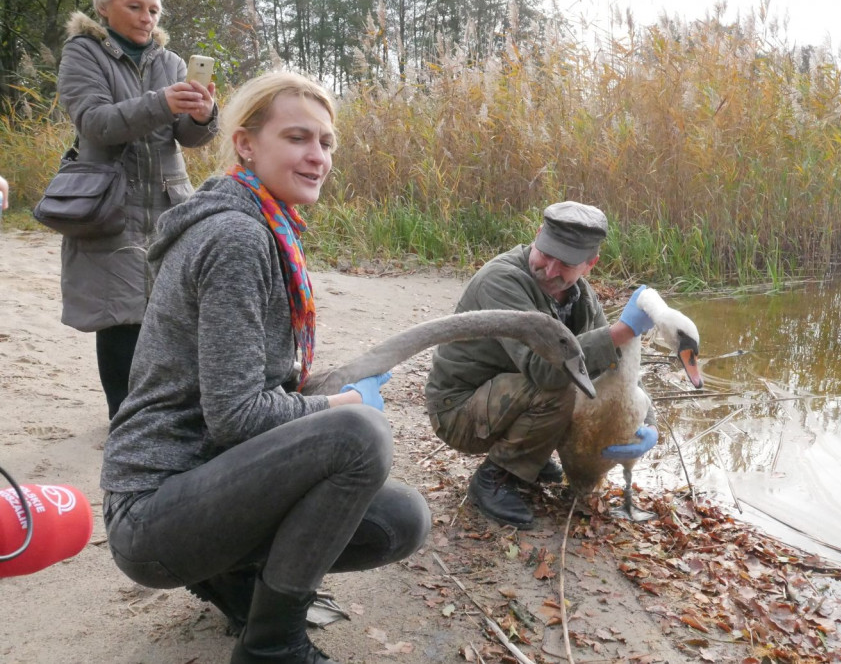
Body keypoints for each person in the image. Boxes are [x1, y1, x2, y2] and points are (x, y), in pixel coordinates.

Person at [100, 71, 430, 664]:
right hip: (153, 510)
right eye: (298, 137)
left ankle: (232, 578)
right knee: (360, 436)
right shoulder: (237, 237)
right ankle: (272, 646)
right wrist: (342, 406)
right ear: (247, 144)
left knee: (399, 520)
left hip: (209, 484)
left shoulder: (268, 227)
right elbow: (236, 414)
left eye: (326, 142)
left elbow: (250, 390)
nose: (317, 156)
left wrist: (323, 401)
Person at [425, 201, 657, 529]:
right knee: (563, 385)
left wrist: (647, 421)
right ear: (537, 235)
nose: (549, 271)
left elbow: (617, 367)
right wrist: (623, 330)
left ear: (590, 264)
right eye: (545, 254)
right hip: (458, 410)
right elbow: (544, 369)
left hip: (500, 399)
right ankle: (495, 479)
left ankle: (531, 457)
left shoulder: (584, 300)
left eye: (565, 264)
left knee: (592, 385)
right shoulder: (501, 280)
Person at [57, 0, 218, 419]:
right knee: (121, 317)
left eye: (154, 9)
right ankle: (124, 422)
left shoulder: (171, 62)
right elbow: (94, 123)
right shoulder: (82, 53)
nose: (148, 17)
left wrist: (203, 116)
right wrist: (162, 102)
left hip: (168, 205)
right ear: (105, 7)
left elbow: (186, 137)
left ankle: (162, 413)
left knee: (170, 315)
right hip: (110, 204)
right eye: (136, 6)